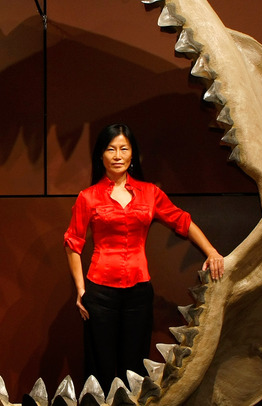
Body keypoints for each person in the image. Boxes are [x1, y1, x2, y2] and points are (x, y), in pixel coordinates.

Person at [63, 123, 224, 391]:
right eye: (111, 149)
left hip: (138, 292)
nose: (117, 155)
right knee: (99, 369)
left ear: (132, 154)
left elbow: (181, 221)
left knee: (135, 369)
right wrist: (81, 289)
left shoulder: (150, 193)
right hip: (100, 291)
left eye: (123, 149)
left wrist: (212, 251)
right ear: (100, 156)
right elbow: (72, 243)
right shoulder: (88, 197)